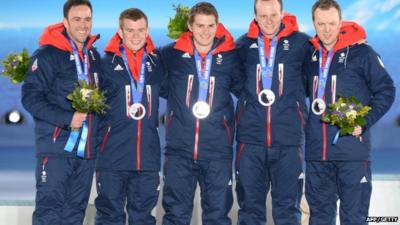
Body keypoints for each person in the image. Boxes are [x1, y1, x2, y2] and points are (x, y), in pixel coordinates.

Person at [304, 0, 396, 224]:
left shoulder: (362, 53)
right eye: (321, 23)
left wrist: (364, 121)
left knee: (354, 219)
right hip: (317, 155)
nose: (327, 29)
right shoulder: (309, 55)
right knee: (320, 219)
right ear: (314, 23)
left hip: (352, 154)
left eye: (332, 23)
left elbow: (386, 90)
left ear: (340, 22)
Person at [159, 2, 244, 225]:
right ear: (190, 26)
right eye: (200, 25)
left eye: (210, 25)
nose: (206, 31)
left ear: (218, 26)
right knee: (176, 215)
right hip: (179, 150)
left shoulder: (230, 57)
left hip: (217, 151)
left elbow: (247, 92)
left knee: (217, 216)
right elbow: (152, 83)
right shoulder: (171, 54)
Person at [21, 0, 102, 224]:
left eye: (87, 19)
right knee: (50, 212)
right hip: (57, 149)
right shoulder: (47, 54)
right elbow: (30, 97)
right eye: (77, 19)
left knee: (75, 213)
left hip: (85, 152)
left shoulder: (92, 56)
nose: (83, 25)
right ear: (65, 22)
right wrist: (67, 119)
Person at [234, 0, 309, 224]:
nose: (269, 21)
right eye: (263, 16)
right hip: (250, 141)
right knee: (249, 211)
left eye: (274, 15)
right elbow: (233, 81)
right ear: (255, 16)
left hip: (288, 141)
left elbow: (326, 60)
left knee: (288, 210)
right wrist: (250, 101)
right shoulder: (243, 45)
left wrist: (292, 101)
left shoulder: (302, 43)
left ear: (282, 13)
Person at [94, 8, 163, 225]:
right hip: (111, 157)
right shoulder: (103, 64)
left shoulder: (157, 64)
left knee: (143, 219)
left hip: (147, 158)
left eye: (140, 30)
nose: (135, 36)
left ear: (147, 30)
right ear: (120, 32)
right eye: (130, 30)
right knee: (109, 218)